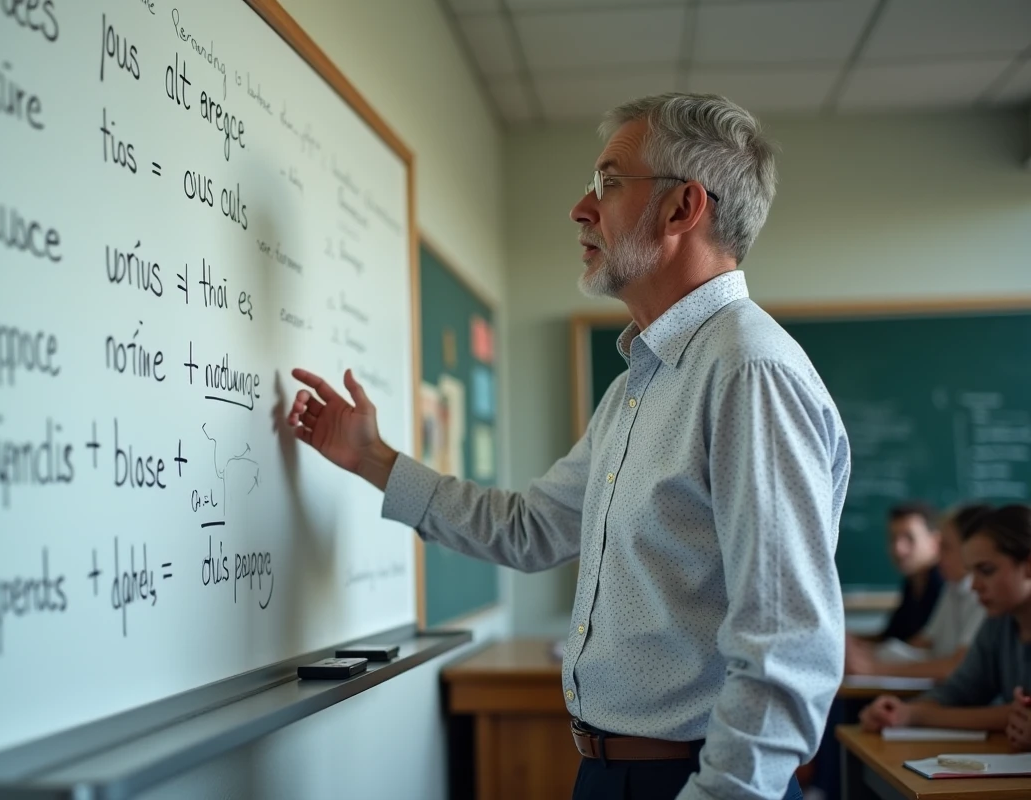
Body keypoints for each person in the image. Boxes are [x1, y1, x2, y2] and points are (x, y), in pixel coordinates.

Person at [287, 93, 850, 800]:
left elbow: (788, 645)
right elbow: (529, 529)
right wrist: (373, 459)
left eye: (609, 183)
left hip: (699, 782)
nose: (582, 210)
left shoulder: (747, 371)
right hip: (606, 773)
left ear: (683, 209)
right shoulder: (637, 389)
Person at [859, 504, 1031, 751]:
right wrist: (901, 711)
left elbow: (1013, 714)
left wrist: (914, 715)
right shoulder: (998, 623)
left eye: (986, 571)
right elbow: (958, 690)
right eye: (971, 572)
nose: (974, 586)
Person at [846, 503, 988, 679]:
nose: (938, 554)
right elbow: (923, 642)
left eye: (945, 547)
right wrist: (869, 655)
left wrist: (875, 668)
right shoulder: (952, 587)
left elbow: (957, 666)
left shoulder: (980, 593)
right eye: (892, 538)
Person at [852, 502, 943, 648]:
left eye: (909, 538)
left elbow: (923, 647)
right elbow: (891, 638)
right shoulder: (911, 582)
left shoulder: (947, 585)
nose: (898, 549)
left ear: (935, 542)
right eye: (893, 538)